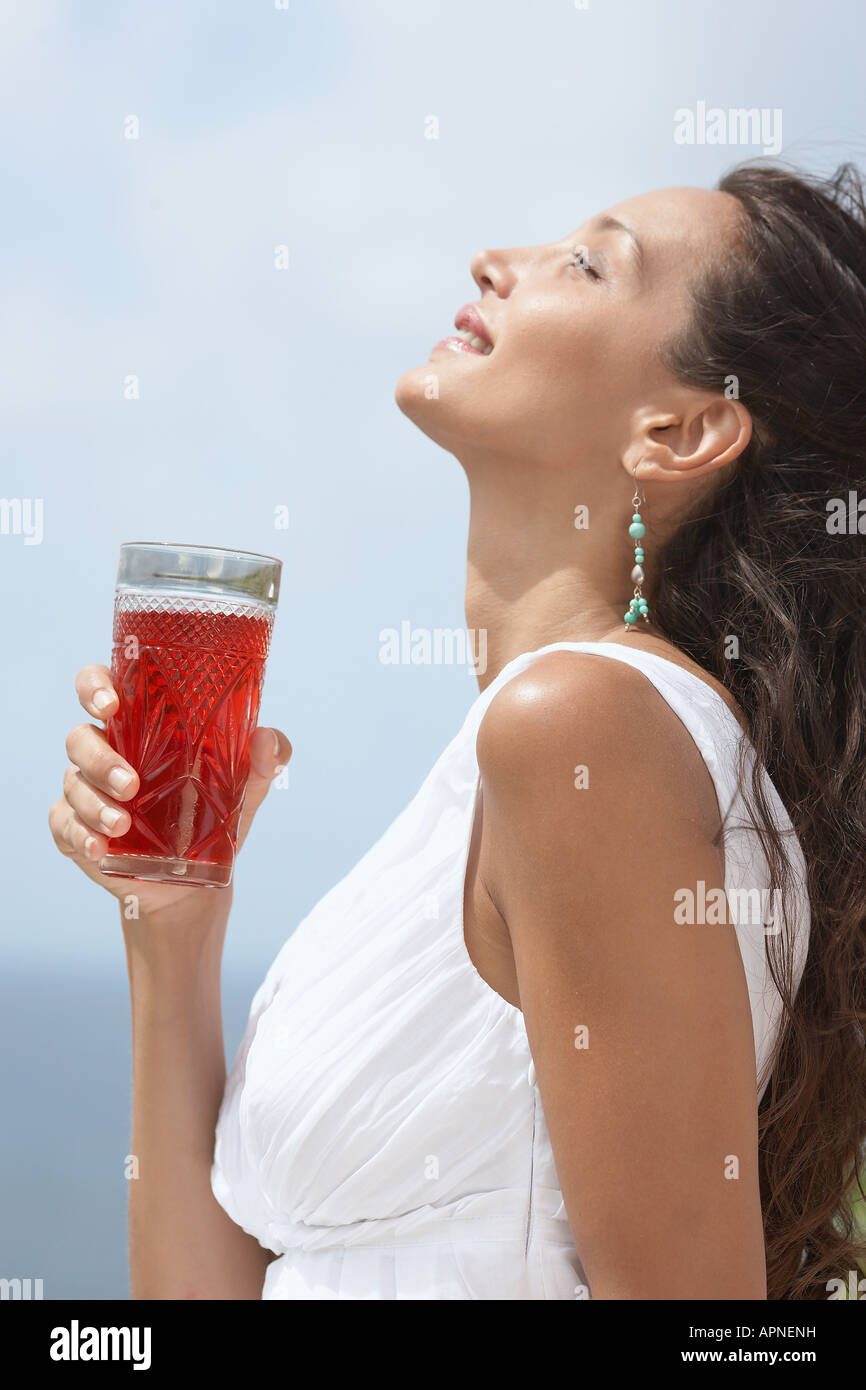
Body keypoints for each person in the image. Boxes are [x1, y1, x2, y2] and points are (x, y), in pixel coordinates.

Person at [50, 160, 866, 1300]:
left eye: (585, 262)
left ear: (678, 431)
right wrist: (172, 930)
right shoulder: (517, 754)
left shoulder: (582, 729)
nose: (496, 259)